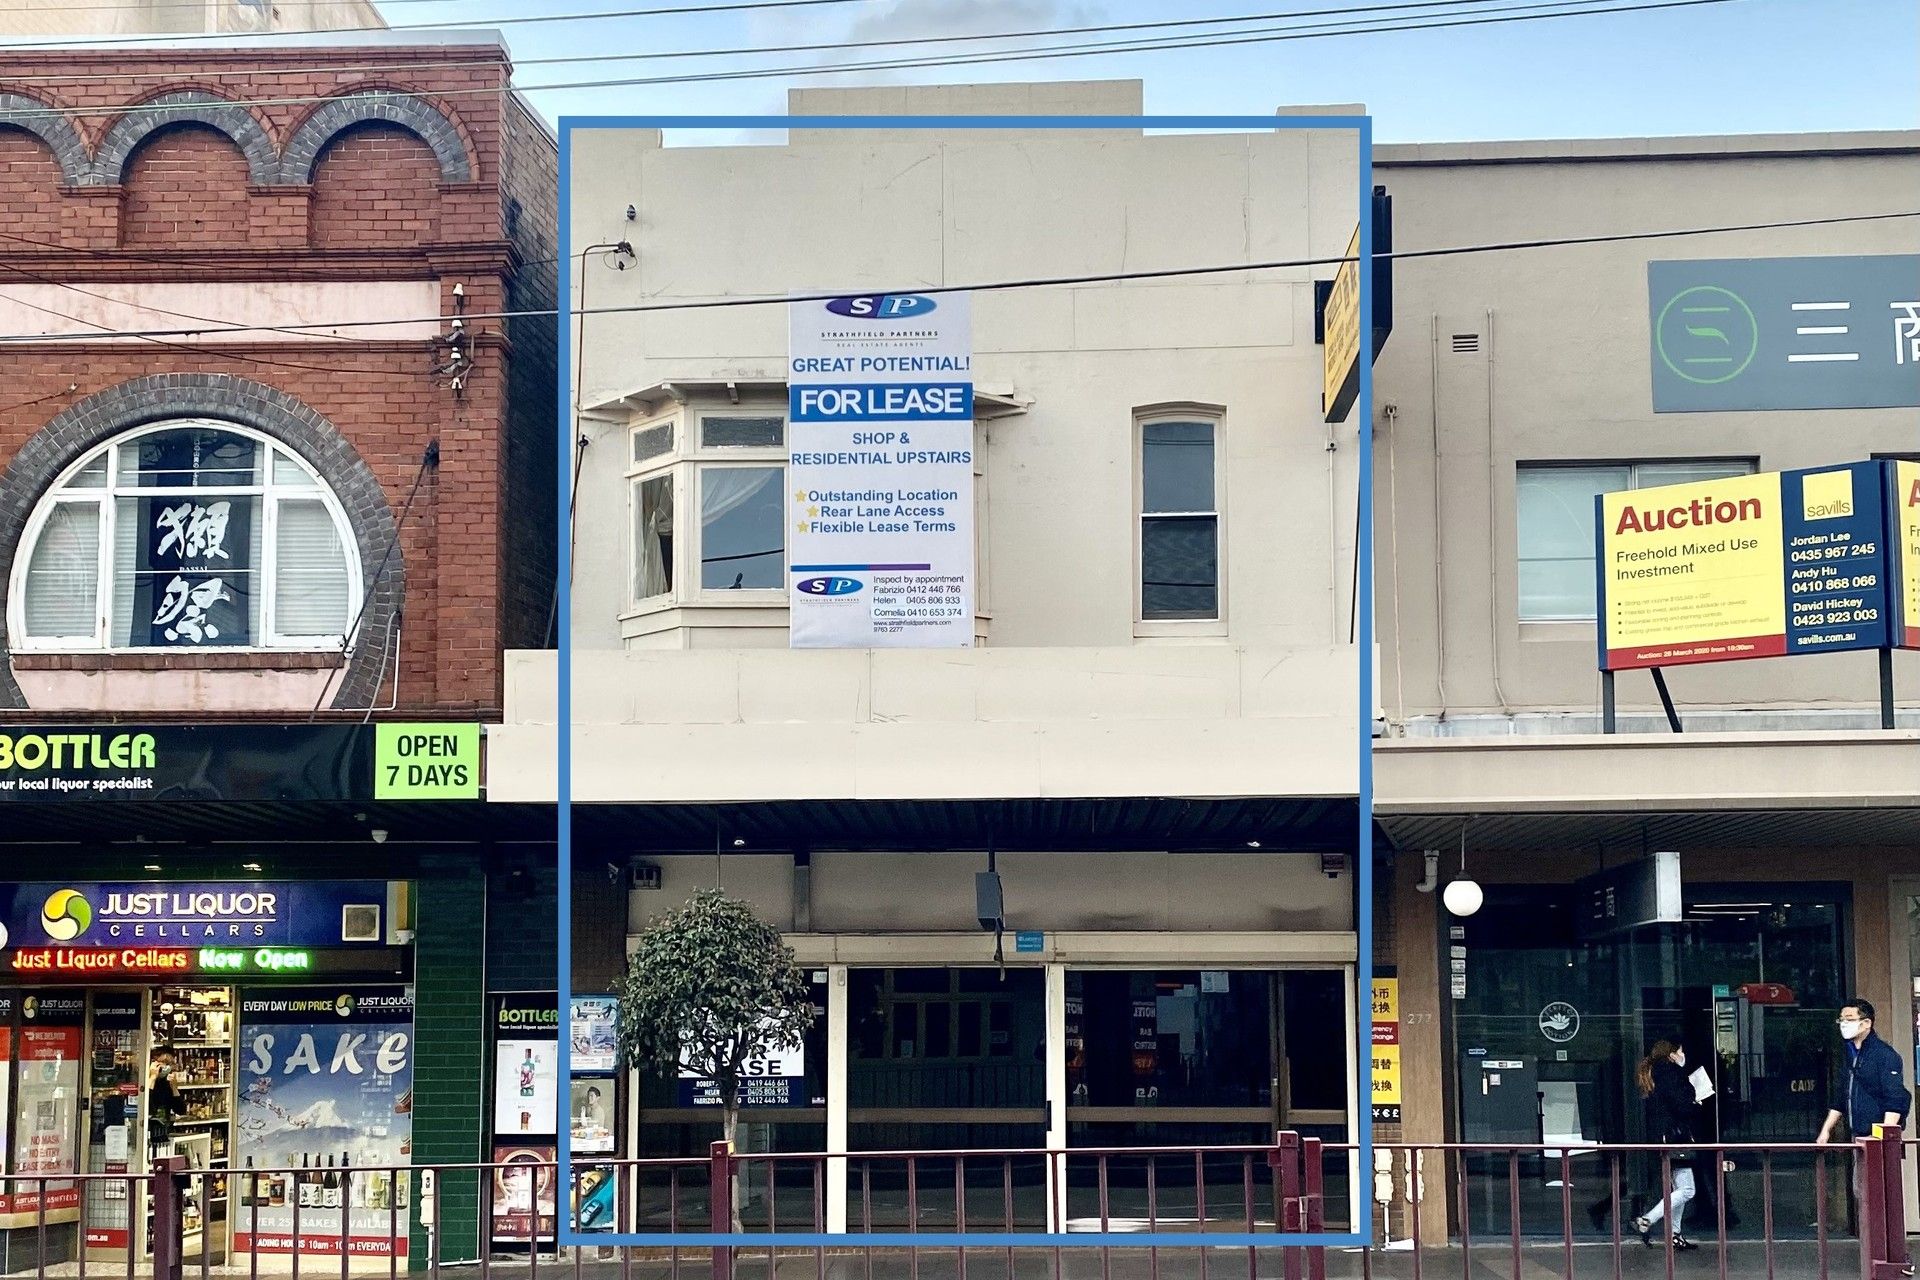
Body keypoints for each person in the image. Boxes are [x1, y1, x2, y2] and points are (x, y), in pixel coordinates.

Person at [1816, 998, 1914, 1277]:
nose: (1843, 1024)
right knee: (1865, 1196)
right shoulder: (1851, 1056)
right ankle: (1878, 1255)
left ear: (1866, 1023)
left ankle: (1896, 1258)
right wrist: (1826, 1130)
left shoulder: (1885, 1056)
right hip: (1860, 1138)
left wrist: (1884, 1137)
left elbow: (1895, 1099)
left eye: (1849, 1019)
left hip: (1877, 1140)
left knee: (1881, 1199)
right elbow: (1841, 1097)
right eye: (1841, 1019)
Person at [1632, 1039, 1700, 1251]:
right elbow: (1682, 1105)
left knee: (1680, 1188)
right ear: (1671, 1054)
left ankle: (1675, 1234)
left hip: (1664, 1137)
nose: (1682, 1055)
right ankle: (1647, 1219)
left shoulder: (1655, 1073)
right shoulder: (1671, 1074)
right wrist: (1695, 1101)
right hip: (1675, 1136)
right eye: (1680, 1051)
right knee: (1687, 1190)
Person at [147, 1051, 186, 1152]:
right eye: (160, 1063)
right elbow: (147, 1105)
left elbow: (181, 1110)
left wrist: (174, 1087)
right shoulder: (147, 1081)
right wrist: (152, 1078)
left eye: (167, 1064)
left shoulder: (166, 1084)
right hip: (146, 1131)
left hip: (163, 1132)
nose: (163, 1067)